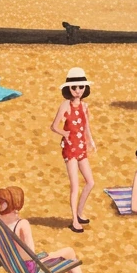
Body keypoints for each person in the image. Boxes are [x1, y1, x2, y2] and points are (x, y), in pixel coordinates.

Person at [0, 186, 106, 273]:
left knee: (58, 254)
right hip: (28, 270)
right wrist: (49, 256)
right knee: (69, 252)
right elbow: (30, 255)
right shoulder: (22, 224)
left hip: (10, 264)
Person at [50, 69, 96, 233]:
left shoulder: (84, 106)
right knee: (75, 186)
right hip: (70, 147)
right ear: (68, 89)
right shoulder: (65, 105)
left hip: (81, 146)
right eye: (74, 87)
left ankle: (79, 212)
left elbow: (86, 126)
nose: (77, 91)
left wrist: (90, 140)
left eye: (81, 87)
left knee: (90, 182)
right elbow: (54, 126)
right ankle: (74, 220)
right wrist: (65, 133)